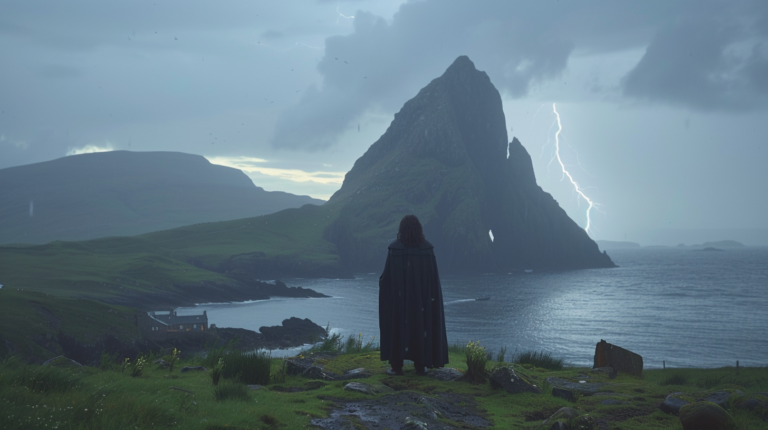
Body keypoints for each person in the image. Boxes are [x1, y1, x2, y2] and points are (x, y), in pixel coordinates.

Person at [379, 214, 449, 376]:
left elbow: (387, 279)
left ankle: (397, 366)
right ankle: (421, 364)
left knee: (398, 326)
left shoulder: (395, 250)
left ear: (401, 230)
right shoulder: (427, 250)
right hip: (422, 302)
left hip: (399, 300)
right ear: (419, 229)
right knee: (422, 326)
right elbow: (433, 281)